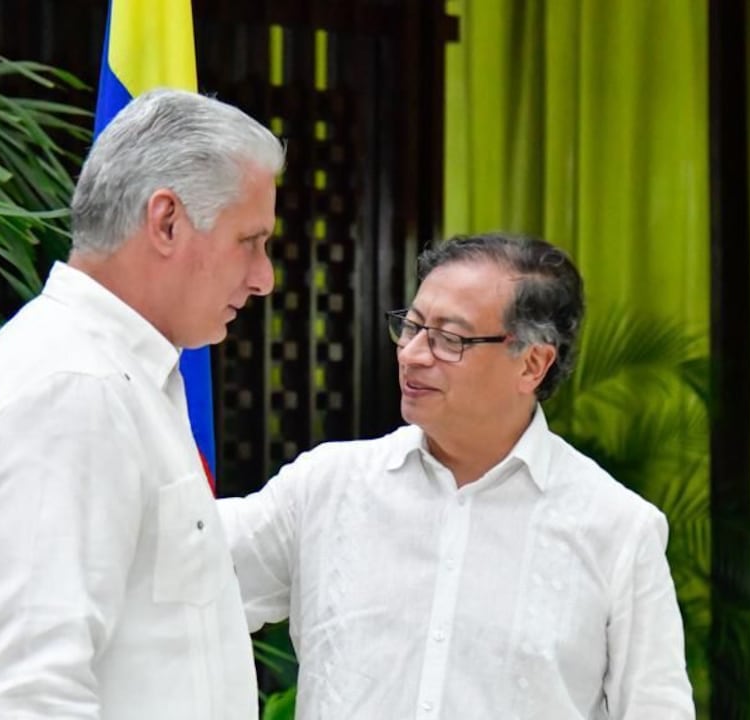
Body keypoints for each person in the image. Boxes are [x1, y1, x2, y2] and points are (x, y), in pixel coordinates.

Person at [220, 233, 695, 719]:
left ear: (532, 363)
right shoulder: (327, 487)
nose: (413, 354)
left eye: (450, 339)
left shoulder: (617, 529)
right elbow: (183, 562)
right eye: (412, 326)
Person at [0, 88, 284, 719]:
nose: (264, 278)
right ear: (167, 220)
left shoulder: (120, 372)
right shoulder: (74, 385)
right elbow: (32, 695)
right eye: (249, 241)